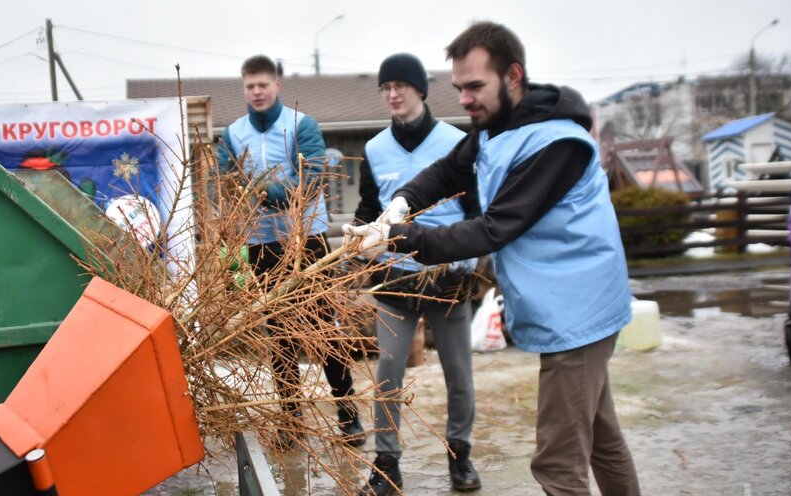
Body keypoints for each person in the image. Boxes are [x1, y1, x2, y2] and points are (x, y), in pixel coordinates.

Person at [344, 22, 641, 495]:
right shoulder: (493, 128)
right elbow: (445, 172)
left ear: (514, 75)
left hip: (577, 311)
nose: (464, 99)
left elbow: (494, 227)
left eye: (476, 86)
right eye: (460, 87)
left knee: (558, 466)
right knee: (602, 441)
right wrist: (397, 206)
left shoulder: (555, 142)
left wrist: (399, 239)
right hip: (560, 306)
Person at [216, 54, 365, 448]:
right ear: (243, 89)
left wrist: (264, 191)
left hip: (306, 239)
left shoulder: (301, 125)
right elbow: (225, 181)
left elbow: (312, 179)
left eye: (263, 84)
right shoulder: (232, 134)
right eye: (250, 86)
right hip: (261, 243)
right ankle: (291, 420)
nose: (257, 92)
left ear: (277, 85)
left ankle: (348, 414)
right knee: (279, 334)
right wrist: (234, 200)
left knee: (320, 326)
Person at [353, 53, 481, 495]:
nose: (392, 94)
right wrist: (361, 239)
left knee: (459, 375)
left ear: (420, 90)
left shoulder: (456, 141)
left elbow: (475, 206)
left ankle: (460, 455)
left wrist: (472, 254)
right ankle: (386, 464)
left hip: (449, 276)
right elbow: (369, 208)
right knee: (387, 371)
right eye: (385, 87)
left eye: (400, 86)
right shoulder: (374, 149)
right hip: (395, 277)